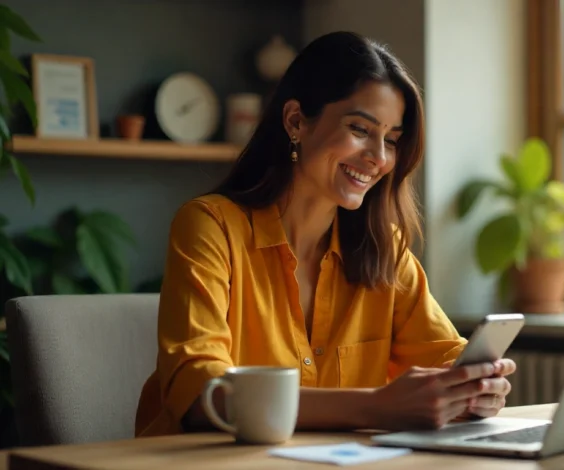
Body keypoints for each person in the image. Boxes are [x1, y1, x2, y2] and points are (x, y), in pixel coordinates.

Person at [134, 31, 516, 438]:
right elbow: (201, 394)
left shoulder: (384, 249)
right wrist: (376, 406)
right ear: (296, 121)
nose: (379, 158)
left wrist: (478, 390)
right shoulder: (210, 227)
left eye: (391, 140)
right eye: (359, 129)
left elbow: (446, 358)